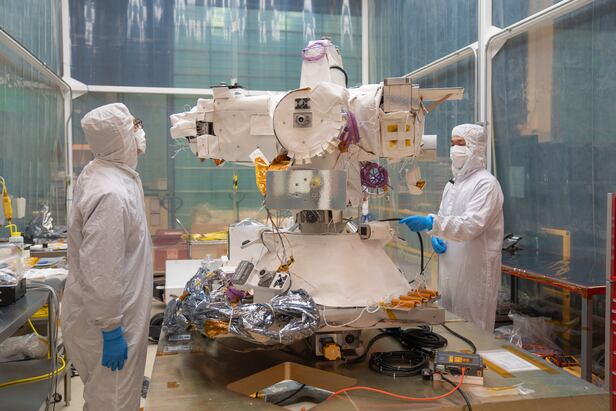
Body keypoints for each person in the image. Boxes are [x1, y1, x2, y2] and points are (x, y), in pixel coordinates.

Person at [60, 103, 152, 410]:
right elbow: (102, 269)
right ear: (119, 137)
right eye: (134, 127)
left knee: (112, 399)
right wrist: (111, 328)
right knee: (112, 403)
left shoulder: (105, 172)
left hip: (114, 314)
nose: (140, 132)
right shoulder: (111, 193)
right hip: (110, 323)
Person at [399, 124, 504, 331]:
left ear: (475, 147)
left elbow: (470, 225)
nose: (455, 149)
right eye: (452, 143)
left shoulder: (486, 184)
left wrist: (432, 223)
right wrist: (435, 235)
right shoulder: (452, 184)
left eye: (461, 143)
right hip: (450, 267)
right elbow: (445, 217)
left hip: (475, 268)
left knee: (474, 327)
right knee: (450, 322)